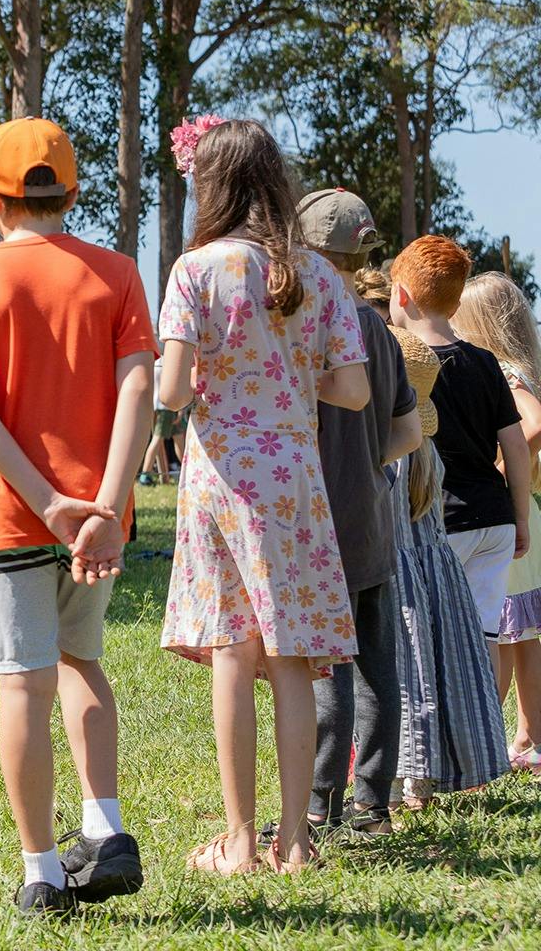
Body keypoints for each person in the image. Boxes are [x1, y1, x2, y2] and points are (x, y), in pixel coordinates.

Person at [0, 117, 155, 914]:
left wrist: (49, 504)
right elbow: (140, 392)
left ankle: (40, 872)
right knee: (82, 661)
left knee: (22, 688)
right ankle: (105, 826)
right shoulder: (119, 274)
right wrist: (103, 503)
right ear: (74, 191)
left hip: (15, 516)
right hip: (100, 517)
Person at [158, 119, 370, 875]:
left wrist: (218, 381)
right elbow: (351, 389)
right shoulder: (315, 274)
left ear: (211, 184)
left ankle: (240, 841)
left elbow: (174, 387)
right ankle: (297, 840)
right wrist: (285, 379)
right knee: (290, 657)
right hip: (295, 476)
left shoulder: (196, 270)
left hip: (223, 477)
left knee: (231, 649)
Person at [295, 189, 421, 839]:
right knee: (377, 667)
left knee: (327, 670)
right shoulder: (377, 325)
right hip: (371, 514)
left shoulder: (303, 316)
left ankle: (321, 805)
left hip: (318, 522)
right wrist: (368, 460)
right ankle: (373, 803)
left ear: (306, 246)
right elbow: (408, 434)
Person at [390, 238, 531, 676]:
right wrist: (520, 517)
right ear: (455, 304)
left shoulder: (402, 363)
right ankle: (484, 725)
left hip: (438, 520)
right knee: (485, 632)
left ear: (400, 295)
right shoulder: (487, 362)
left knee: (424, 635)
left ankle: (434, 731)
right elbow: (515, 447)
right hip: (494, 520)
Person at [384, 324, 509, 809]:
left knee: (398, 677)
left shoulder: (391, 458)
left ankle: (391, 785)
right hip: (434, 576)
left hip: (396, 575)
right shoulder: (428, 455)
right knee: (436, 671)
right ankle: (426, 781)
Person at [451, 271, 541, 770]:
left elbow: (534, 422)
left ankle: (486, 737)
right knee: (523, 632)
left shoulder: (502, 370)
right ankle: (528, 737)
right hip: (527, 507)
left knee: (502, 628)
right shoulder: (524, 365)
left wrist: (499, 473)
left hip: (510, 506)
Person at [138, 358, 185, 486]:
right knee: (157, 440)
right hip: (168, 408)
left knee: (179, 439)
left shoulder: (155, 362)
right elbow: (175, 386)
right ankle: (145, 475)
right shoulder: (169, 362)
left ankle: (186, 470)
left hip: (158, 406)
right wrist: (181, 408)